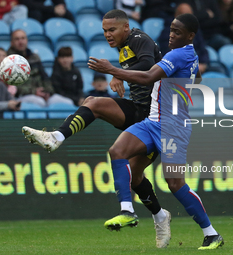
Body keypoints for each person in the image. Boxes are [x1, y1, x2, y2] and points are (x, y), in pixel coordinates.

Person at [22, 10, 171, 249]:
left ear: (126, 27)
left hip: (157, 118)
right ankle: (56, 136)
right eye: (104, 30)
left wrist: (114, 72)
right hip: (139, 110)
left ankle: (160, 216)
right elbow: (135, 67)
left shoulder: (139, 39)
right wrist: (119, 77)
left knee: (135, 175)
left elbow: (147, 66)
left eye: (111, 30)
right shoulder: (124, 46)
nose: (107, 35)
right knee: (93, 102)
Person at [88, 13, 224, 250]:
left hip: (173, 129)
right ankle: (127, 211)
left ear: (190, 36)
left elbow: (149, 76)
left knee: (175, 184)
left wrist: (112, 70)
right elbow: (198, 77)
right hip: (152, 122)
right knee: (117, 151)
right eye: (171, 29)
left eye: (178, 32)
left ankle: (211, 234)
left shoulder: (178, 54)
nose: (171, 35)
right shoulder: (190, 55)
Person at [8, 29, 73, 107]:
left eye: (23, 38)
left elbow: (45, 77)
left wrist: (47, 92)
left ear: (27, 40)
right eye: (17, 39)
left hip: (41, 94)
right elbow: (13, 86)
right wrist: (34, 91)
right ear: (12, 42)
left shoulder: (34, 57)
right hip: (22, 95)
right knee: (40, 102)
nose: (21, 42)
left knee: (68, 102)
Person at [159, 2, 210, 73]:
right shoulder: (168, 32)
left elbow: (203, 49)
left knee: (217, 70)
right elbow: (168, 53)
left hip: (198, 66)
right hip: (180, 68)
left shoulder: (195, 31)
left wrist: (203, 63)